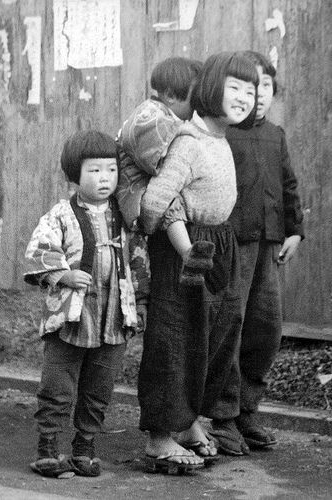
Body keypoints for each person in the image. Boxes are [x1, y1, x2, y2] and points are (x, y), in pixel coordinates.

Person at [136, 52, 259, 473]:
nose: (245, 97)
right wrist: (181, 230)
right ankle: (159, 437)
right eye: (235, 88)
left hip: (218, 244)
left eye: (250, 89)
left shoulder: (218, 138)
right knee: (175, 339)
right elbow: (153, 204)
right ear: (209, 89)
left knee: (213, 335)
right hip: (185, 249)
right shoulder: (188, 141)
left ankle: (186, 423)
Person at [24, 130, 149, 478]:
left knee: (99, 387)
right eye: (94, 171)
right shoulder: (61, 214)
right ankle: (48, 448)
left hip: (113, 316)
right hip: (72, 318)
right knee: (58, 385)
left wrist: (139, 302)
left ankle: (84, 448)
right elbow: (39, 249)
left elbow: (138, 259)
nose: (104, 178)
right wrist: (64, 275)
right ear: (74, 174)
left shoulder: (125, 216)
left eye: (110, 170)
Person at [210, 50, 304, 455]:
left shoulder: (276, 134)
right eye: (250, 87)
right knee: (231, 326)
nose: (258, 95)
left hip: (269, 247)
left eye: (265, 86)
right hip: (233, 247)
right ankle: (223, 417)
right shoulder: (223, 135)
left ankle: (247, 411)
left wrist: (295, 231)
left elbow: (289, 185)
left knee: (265, 329)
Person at [116, 57, 215, 286]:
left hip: (140, 186)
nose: (199, 104)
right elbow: (152, 153)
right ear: (171, 95)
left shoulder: (163, 115)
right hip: (134, 189)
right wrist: (185, 134)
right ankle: (187, 253)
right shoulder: (151, 116)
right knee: (171, 204)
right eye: (196, 96)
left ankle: (187, 255)